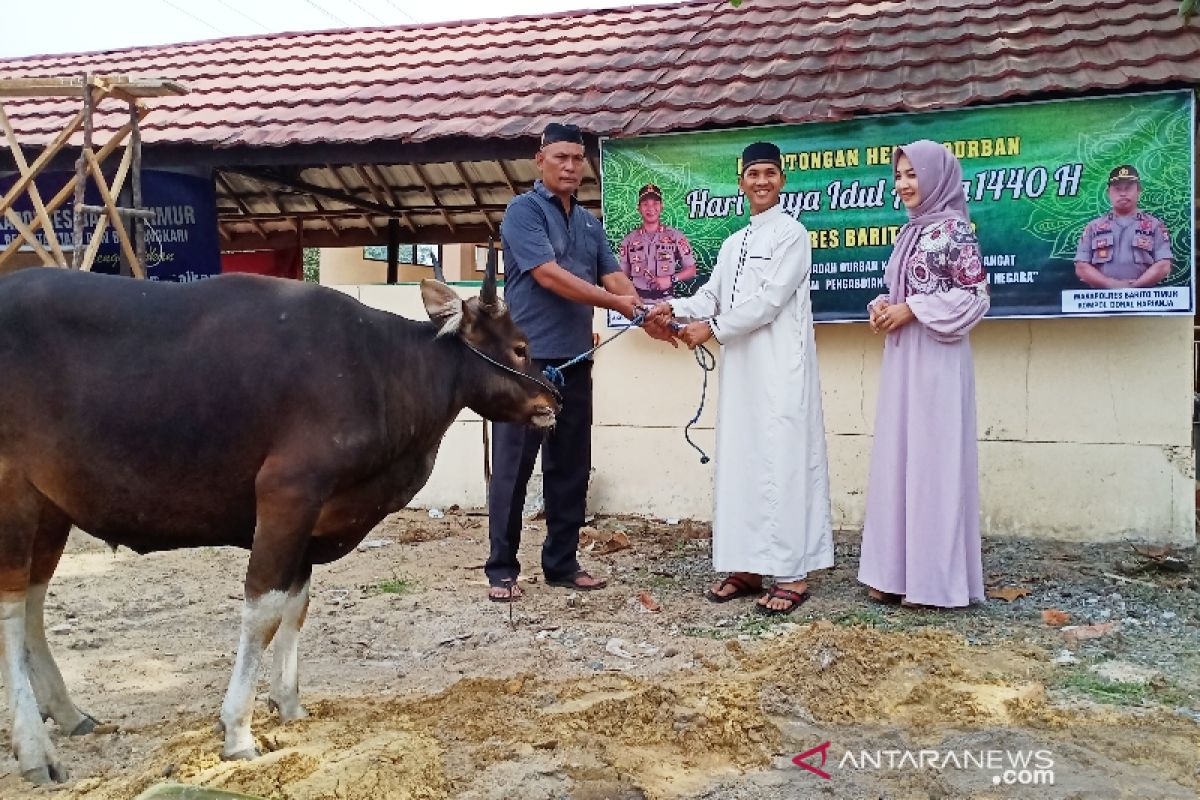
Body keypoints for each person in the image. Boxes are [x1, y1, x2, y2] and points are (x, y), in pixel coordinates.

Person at [486, 121, 674, 603]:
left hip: (574, 361)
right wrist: (621, 307)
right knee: (514, 467)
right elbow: (548, 276)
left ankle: (562, 563)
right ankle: (502, 569)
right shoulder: (522, 213)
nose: (570, 166)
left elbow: (615, 278)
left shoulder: (590, 223)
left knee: (570, 466)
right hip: (522, 364)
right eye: (561, 157)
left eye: (577, 158)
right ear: (540, 160)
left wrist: (648, 312)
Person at [646, 141, 834, 615]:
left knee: (785, 464)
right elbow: (713, 294)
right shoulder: (734, 242)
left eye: (770, 173)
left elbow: (770, 301)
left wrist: (711, 328)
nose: (762, 182)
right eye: (754, 174)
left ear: (782, 180)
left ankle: (792, 573)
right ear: (742, 181)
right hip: (743, 373)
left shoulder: (793, 235)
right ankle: (748, 567)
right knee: (743, 463)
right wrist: (677, 307)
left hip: (781, 371)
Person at [858, 140, 989, 609]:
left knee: (932, 462)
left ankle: (932, 582)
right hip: (904, 359)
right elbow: (902, 290)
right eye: (899, 175)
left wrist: (912, 309)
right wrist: (884, 308)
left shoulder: (955, 230)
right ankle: (893, 573)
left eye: (913, 174)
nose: (904, 184)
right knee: (900, 458)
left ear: (937, 177)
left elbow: (975, 298)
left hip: (938, 358)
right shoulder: (911, 231)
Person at [1074, 165, 1172, 289]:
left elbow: (1164, 265)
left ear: (1138, 191)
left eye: (1128, 188)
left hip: (1144, 300)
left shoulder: (1155, 225)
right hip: (1102, 300)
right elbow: (1081, 266)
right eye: (1117, 189)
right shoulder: (1093, 227)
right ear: (1108, 192)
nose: (1123, 193)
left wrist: (1135, 287)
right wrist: (1110, 284)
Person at [617, 183, 698, 303]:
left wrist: (671, 279)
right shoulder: (628, 241)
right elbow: (622, 276)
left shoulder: (675, 236)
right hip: (638, 303)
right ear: (638, 208)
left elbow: (692, 269)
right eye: (645, 204)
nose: (650, 208)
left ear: (661, 207)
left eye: (655, 203)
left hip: (667, 302)